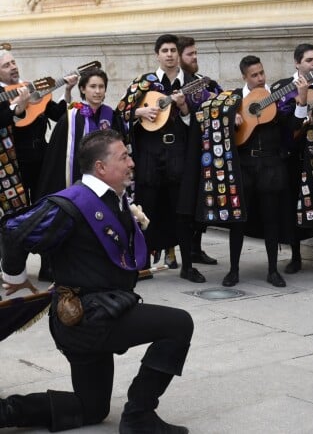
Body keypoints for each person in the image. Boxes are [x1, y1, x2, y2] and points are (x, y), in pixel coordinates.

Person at [0, 129, 193, 432]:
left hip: (103, 310)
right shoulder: (71, 203)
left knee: (92, 408)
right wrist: (15, 276)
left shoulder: (112, 198)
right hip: (86, 316)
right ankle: (140, 417)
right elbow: (15, 231)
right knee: (179, 324)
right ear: (101, 168)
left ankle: (8, 412)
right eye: (124, 157)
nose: (131, 162)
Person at [117, 33, 209, 283]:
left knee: (182, 210)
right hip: (149, 154)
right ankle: (143, 264)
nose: (169, 55)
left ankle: (187, 265)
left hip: (178, 153)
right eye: (165, 50)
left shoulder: (192, 83)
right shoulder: (143, 84)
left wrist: (184, 108)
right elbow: (120, 112)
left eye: (173, 51)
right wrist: (139, 111)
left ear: (179, 55)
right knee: (147, 206)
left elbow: (203, 120)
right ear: (157, 55)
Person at [221, 55, 306, 288]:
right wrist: (230, 117)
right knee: (237, 220)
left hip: (271, 165)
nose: (259, 78)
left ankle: (272, 270)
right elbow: (215, 120)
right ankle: (233, 270)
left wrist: (301, 102)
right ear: (244, 77)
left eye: (261, 73)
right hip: (244, 166)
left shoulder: (278, 97)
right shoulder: (235, 99)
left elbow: (293, 128)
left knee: (271, 218)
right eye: (254, 75)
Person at [0, 43, 77, 281]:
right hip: (12, 166)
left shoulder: (31, 88)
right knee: (16, 217)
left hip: (42, 159)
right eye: (6, 65)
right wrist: (18, 108)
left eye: (13, 62)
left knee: (46, 209)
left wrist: (67, 91)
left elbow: (58, 115)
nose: (13, 67)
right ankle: (15, 269)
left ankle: (48, 265)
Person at [276, 43, 313, 277]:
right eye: (309, 60)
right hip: (294, 156)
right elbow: (283, 121)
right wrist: (300, 102)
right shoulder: (283, 88)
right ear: (297, 63)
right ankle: (296, 257)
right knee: (293, 205)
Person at [36, 69, 125, 197]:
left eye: (101, 87)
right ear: (83, 89)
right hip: (77, 178)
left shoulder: (111, 116)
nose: (98, 91)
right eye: (92, 86)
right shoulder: (70, 117)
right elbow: (57, 156)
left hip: (106, 178)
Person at [175, 35, 220, 267]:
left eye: (195, 53)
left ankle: (196, 247)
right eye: (190, 54)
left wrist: (216, 99)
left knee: (203, 200)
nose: (195, 58)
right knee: (185, 204)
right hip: (182, 152)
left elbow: (223, 98)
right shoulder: (173, 86)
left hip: (205, 150)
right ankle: (183, 256)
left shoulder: (204, 81)